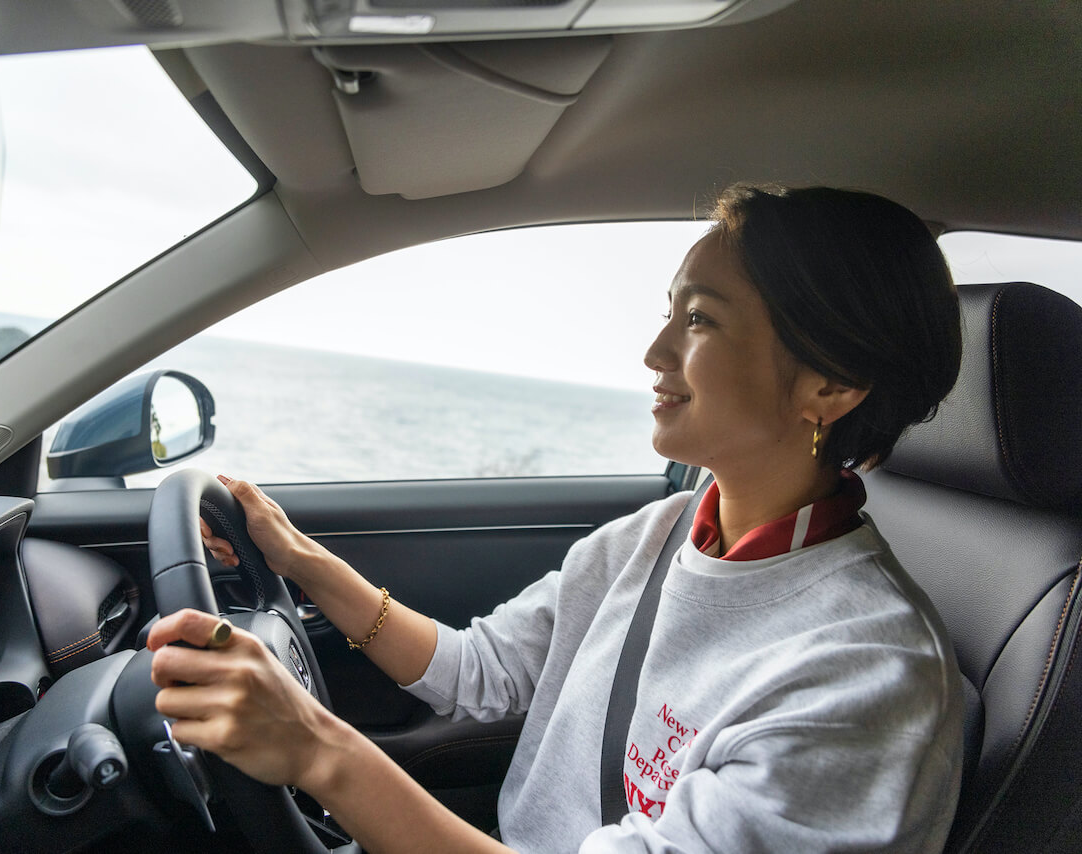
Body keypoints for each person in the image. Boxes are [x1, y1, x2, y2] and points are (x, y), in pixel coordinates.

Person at [147, 185, 965, 853]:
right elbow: (478, 672)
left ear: (830, 385)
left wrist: (320, 751)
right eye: (670, 310)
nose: (654, 352)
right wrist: (298, 559)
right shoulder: (660, 533)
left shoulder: (865, 677)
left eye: (700, 320)